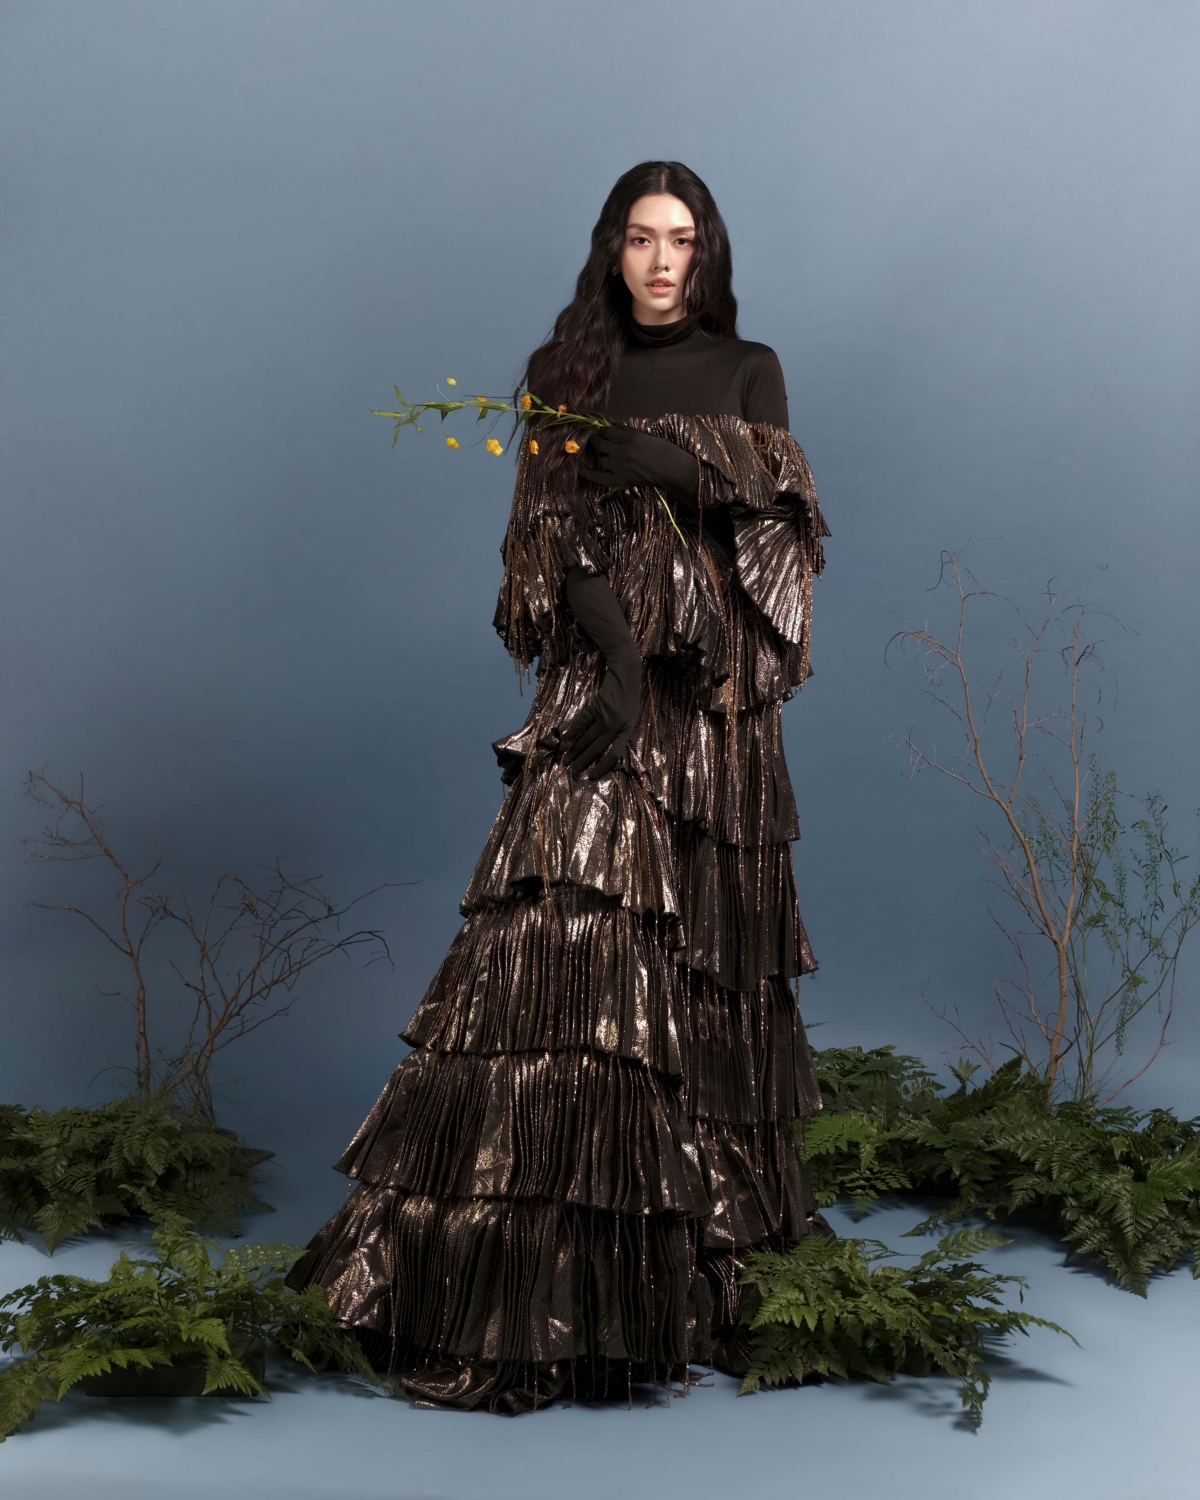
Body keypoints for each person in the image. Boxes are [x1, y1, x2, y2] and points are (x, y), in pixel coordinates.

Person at [286, 160, 831, 1413]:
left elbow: (779, 521)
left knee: (705, 972)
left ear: (706, 254)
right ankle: (521, 1285)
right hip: (608, 682)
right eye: (640, 238)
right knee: (559, 958)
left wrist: (673, 467)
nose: (661, 261)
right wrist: (620, 662)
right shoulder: (560, 369)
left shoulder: (752, 369)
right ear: (610, 249)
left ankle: (685, 1268)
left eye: (681, 240)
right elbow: (546, 529)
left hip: (718, 712)